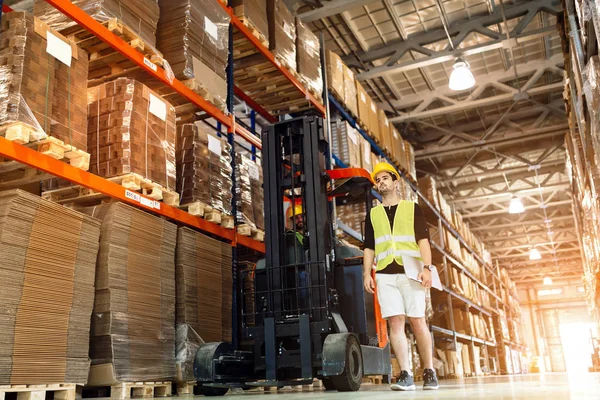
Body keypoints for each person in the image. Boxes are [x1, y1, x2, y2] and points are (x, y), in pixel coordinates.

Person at [363, 162, 439, 391]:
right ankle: (405, 373)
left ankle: (429, 371)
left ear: (396, 182)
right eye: (378, 179)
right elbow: (369, 247)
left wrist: (428, 268)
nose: (381, 182)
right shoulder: (373, 214)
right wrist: (367, 273)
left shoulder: (412, 208)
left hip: (411, 272)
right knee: (395, 322)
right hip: (385, 274)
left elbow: (423, 240)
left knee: (417, 321)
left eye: (385, 178)